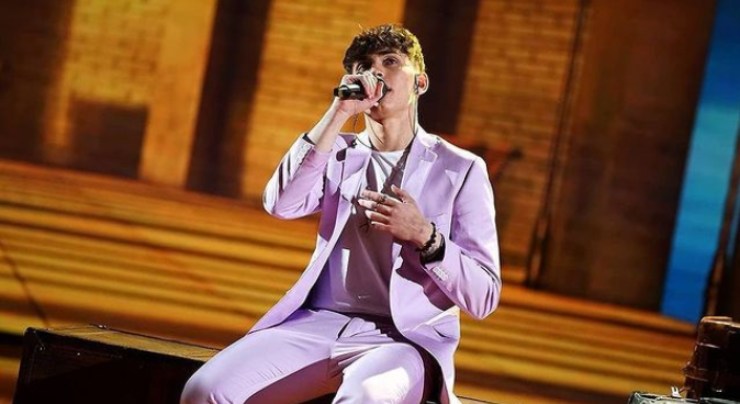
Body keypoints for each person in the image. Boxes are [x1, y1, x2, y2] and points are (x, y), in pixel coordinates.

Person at [181, 23, 501, 404]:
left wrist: (426, 237)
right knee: (204, 391)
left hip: (401, 342)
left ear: (420, 82)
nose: (376, 72)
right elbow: (280, 203)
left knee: (364, 398)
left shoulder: (460, 170)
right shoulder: (335, 151)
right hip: (316, 324)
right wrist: (339, 112)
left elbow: (484, 296)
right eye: (365, 66)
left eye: (390, 62)